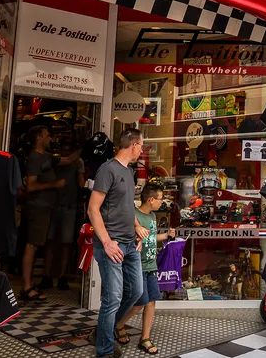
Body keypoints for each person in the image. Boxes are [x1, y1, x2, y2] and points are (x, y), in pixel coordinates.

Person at [89, 129, 146, 358]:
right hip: (112, 244)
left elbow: (127, 205)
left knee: (136, 292)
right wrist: (107, 243)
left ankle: (103, 330)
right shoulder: (107, 169)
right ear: (133, 144)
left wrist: (136, 228)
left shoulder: (128, 171)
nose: (142, 149)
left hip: (131, 244)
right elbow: (93, 209)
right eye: (141, 145)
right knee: (113, 298)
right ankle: (104, 351)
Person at [124, 183, 170, 354]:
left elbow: (150, 237)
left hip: (151, 265)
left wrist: (165, 236)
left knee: (151, 301)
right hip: (138, 265)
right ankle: (116, 325)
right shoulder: (134, 216)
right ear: (151, 200)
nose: (162, 202)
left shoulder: (152, 216)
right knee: (140, 302)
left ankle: (145, 337)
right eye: (160, 199)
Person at [21, 126, 67, 300]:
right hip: (37, 207)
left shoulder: (47, 157)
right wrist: (53, 185)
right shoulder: (34, 158)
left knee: (36, 245)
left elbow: (67, 160)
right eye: (48, 136)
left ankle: (30, 284)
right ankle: (26, 286)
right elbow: (30, 186)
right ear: (39, 138)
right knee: (31, 245)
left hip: (46, 207)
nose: (51, 139)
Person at [45, 139, 84, 290]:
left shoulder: (71, 162)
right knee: (58, 243)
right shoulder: (57, 161)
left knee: (58, 243)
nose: (65, 152)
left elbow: (80, 183)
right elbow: (81, 183)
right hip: (59, 205)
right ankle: (54, 276)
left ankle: (55, 276)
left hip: (65, 205)